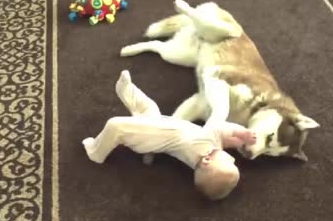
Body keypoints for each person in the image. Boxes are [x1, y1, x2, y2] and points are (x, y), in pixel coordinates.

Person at [82, 70, 256, 200]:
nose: (233, 159)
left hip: (153, 136)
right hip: (160, 129)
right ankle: (126, 91)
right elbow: (225, 138)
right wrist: (239, 142)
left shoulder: (205, 145)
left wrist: (245, 134)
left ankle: (96, 152)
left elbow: (220, 126)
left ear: (207, 161)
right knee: (148, 109)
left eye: (229, 162)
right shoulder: (206, 153)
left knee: (116, 126)